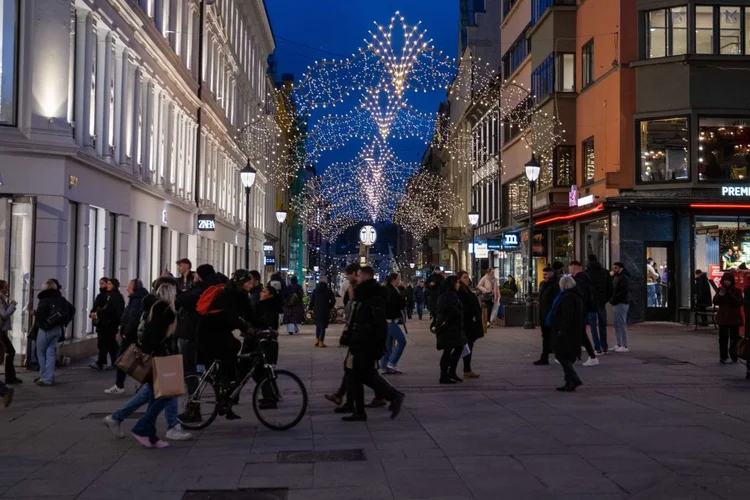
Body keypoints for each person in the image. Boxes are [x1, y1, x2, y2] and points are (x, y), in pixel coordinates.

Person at [104, 280, 191, 447]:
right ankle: (147, 428)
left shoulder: (152, 309)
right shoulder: (165, 312)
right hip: (160, 360)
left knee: (152, 395)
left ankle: (143, 430)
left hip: (155, 358)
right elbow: (159, 338)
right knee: (167, 394)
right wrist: (164, 354)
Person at [341, 266, 405, 422]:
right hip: (361, 340)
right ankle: (360, 411)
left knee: (364, 374)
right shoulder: (364, 294)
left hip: (367, 341)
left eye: (359, 275)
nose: (357, 277)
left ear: (365, 276)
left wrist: (378, 344)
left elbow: (377, 323)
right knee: (360, 375)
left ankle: (393, 396)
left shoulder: (372, 296)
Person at [175, 264, 222, 423]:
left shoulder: (203, 289)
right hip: (199, 332)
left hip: (190, 333)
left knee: (189, 372)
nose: (193, 276)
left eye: (196, 274)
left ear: (201, 276)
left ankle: (194, 409)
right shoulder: (213, 285)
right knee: (192, 371)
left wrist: (177, 289)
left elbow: (183, 299)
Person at [325, 263, 361, 412]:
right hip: (357, 340)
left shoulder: (358, 303)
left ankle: (390, 395)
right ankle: (345, 399)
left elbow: (354, 321)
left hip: (360, 341)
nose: (349, 290)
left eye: (350, 289)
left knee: (362, 373)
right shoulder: (354, 302)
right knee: (352, 370)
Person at [105, 279, 148, 395]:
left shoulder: (137, 301)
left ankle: (120, 385)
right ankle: (123, 384)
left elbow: (134, 319)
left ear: (134, 288)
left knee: (122, 359)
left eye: (129, 287)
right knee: (134, 360)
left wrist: (125, 333)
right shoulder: (137, 299)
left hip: (131, 336)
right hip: (133, 335)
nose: (127, 289)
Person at [547, 275, 584, 392]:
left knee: (561, 355)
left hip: (566, 331)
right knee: (567, 356)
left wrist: (561, 330)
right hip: (573, 330)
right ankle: (569, 382)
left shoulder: (567, 297)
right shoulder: (575, 295)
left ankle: (574, 379)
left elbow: (566, 316)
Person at [34, 280, 71, 386]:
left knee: (41, 353)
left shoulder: (44, 299)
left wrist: (42, 323)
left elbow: (40, 315)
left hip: (46, 330)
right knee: (50, 353)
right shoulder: (61, 299)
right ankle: (49, 378)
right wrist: (64, 323)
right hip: (57, 329)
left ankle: (44, 377)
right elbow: (70, 310)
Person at [435, 275, 467, 384]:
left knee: (458, 347)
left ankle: (450, 372)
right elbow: (450, 310)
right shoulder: (449, 295)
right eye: (457, 282)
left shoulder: (450, 294)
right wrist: (458, 314)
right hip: (449, 327)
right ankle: (444, 375)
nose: (459, 284)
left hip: (452, 327)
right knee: (448, 351)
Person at [90, 278, 125, 371]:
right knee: (109, 343)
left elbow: (111, 310)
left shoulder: (114, 296)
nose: (105, 286)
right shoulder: (110, 295)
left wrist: (97, 314)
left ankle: (102, 363)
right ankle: (115, 361)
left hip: (109, 323)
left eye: (108, 284)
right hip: (106, 323)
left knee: (105, 343)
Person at [569, 261, 598, 367]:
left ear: (574, 268)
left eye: (570, 268)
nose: (570, 271)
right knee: (579, 334)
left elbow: (582, 296)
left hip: (581, 310)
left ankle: (591, 357)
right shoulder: (584, 278)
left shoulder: (580, 280)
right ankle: (573, 357)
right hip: (583, 309)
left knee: (580, 334)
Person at [585, 254, 613, 354]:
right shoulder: (605, 272)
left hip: (591, 303)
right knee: (602, 325)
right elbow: (610, 288)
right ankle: (604, 346)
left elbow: (585, 289)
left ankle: (597, 348)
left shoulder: (586, 273)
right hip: (601, 302)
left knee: (593, 325)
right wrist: (606, 299)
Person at [714, 272, 744, 364]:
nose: (727, 282)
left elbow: (739, 302)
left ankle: (734, 355)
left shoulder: (737, 291)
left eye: (728, 280)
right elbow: (715, 301)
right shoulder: (720, 289)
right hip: (723, 317)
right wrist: (719, 295)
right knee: (723, 338)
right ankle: (723, 356)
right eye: (725, 280)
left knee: (734, 338)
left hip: (733, 317)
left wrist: (730, 295)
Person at [381, 273, 408, 374]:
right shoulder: (392, 291)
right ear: (393, 280)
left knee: (388, 346)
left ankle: (384, 366)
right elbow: (400, 304)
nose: (399, 281)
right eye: (398, 279)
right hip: (391, 321)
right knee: (402, 342)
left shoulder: (388, 289)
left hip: (387, 321)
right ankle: (392, 362)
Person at [457, 271, 482, 378]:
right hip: (467, 323)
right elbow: (464, 307)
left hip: (470, 323)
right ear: (460, 279)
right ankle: (464, 369)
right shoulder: (461, 291)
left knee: (468, 346)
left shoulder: (466, 289)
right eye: (465, 277)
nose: (467, 279)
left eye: (468, 277)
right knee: (464, 346)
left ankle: (467, 369)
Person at [535, 266, 560, 366]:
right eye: (543, 274)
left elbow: (557, 300)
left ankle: (559, 355)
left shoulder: (555, 284)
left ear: (552, 274)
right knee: (545, 336)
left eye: (546, 274)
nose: (544, 276)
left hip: (551, 314)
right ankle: (544, 357)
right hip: (543, 314)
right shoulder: (542, 284)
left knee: (552, 336)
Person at [0, 280, 22, 384]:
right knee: (11, 351)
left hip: (2, 331)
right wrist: (12, 306)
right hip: (0, 331)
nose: (7, 290)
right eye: (5, 288)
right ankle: (10, 377)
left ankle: (10, 377)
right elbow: (4, 315)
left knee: (10, 351)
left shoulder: (2, 299)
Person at [610, 262, 631, 352]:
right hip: (617, 302)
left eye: (615, 268)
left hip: (621, 303)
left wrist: (614, 298)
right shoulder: (618, 277)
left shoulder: (623, 277)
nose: (614, 269)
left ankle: (624, 345)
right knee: (616, 323)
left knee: (621, 323)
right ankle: (619, 343)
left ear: (620, 268)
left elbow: (623, 291)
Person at [310, 276, 335, 348]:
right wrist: (330, 306)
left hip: (317, 310)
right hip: (325, 309)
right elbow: (333, 300)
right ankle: (321, 341)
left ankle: (317, 340)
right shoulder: (328, 290)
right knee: (323, 326)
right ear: (326, 282)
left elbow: (312, 300)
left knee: (318, 325)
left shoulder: (315, 290)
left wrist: (310, 308)